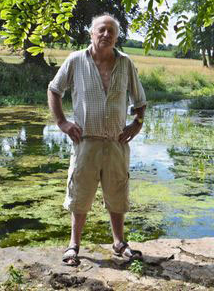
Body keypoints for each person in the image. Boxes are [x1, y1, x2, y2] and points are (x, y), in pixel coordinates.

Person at [47, 14, 147, 266]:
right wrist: (62, 122)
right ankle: (74, 245)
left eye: (111, 31)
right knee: (80, 194)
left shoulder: (125, 63)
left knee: (117, 192)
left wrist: (137, 123)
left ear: (116, 37)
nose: (106, 34)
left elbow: (140, 100)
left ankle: (119, 243)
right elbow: (54, 89)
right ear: (91, 33)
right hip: (85, 142)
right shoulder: (75, 60)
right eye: (101, 30)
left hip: (116, 142)